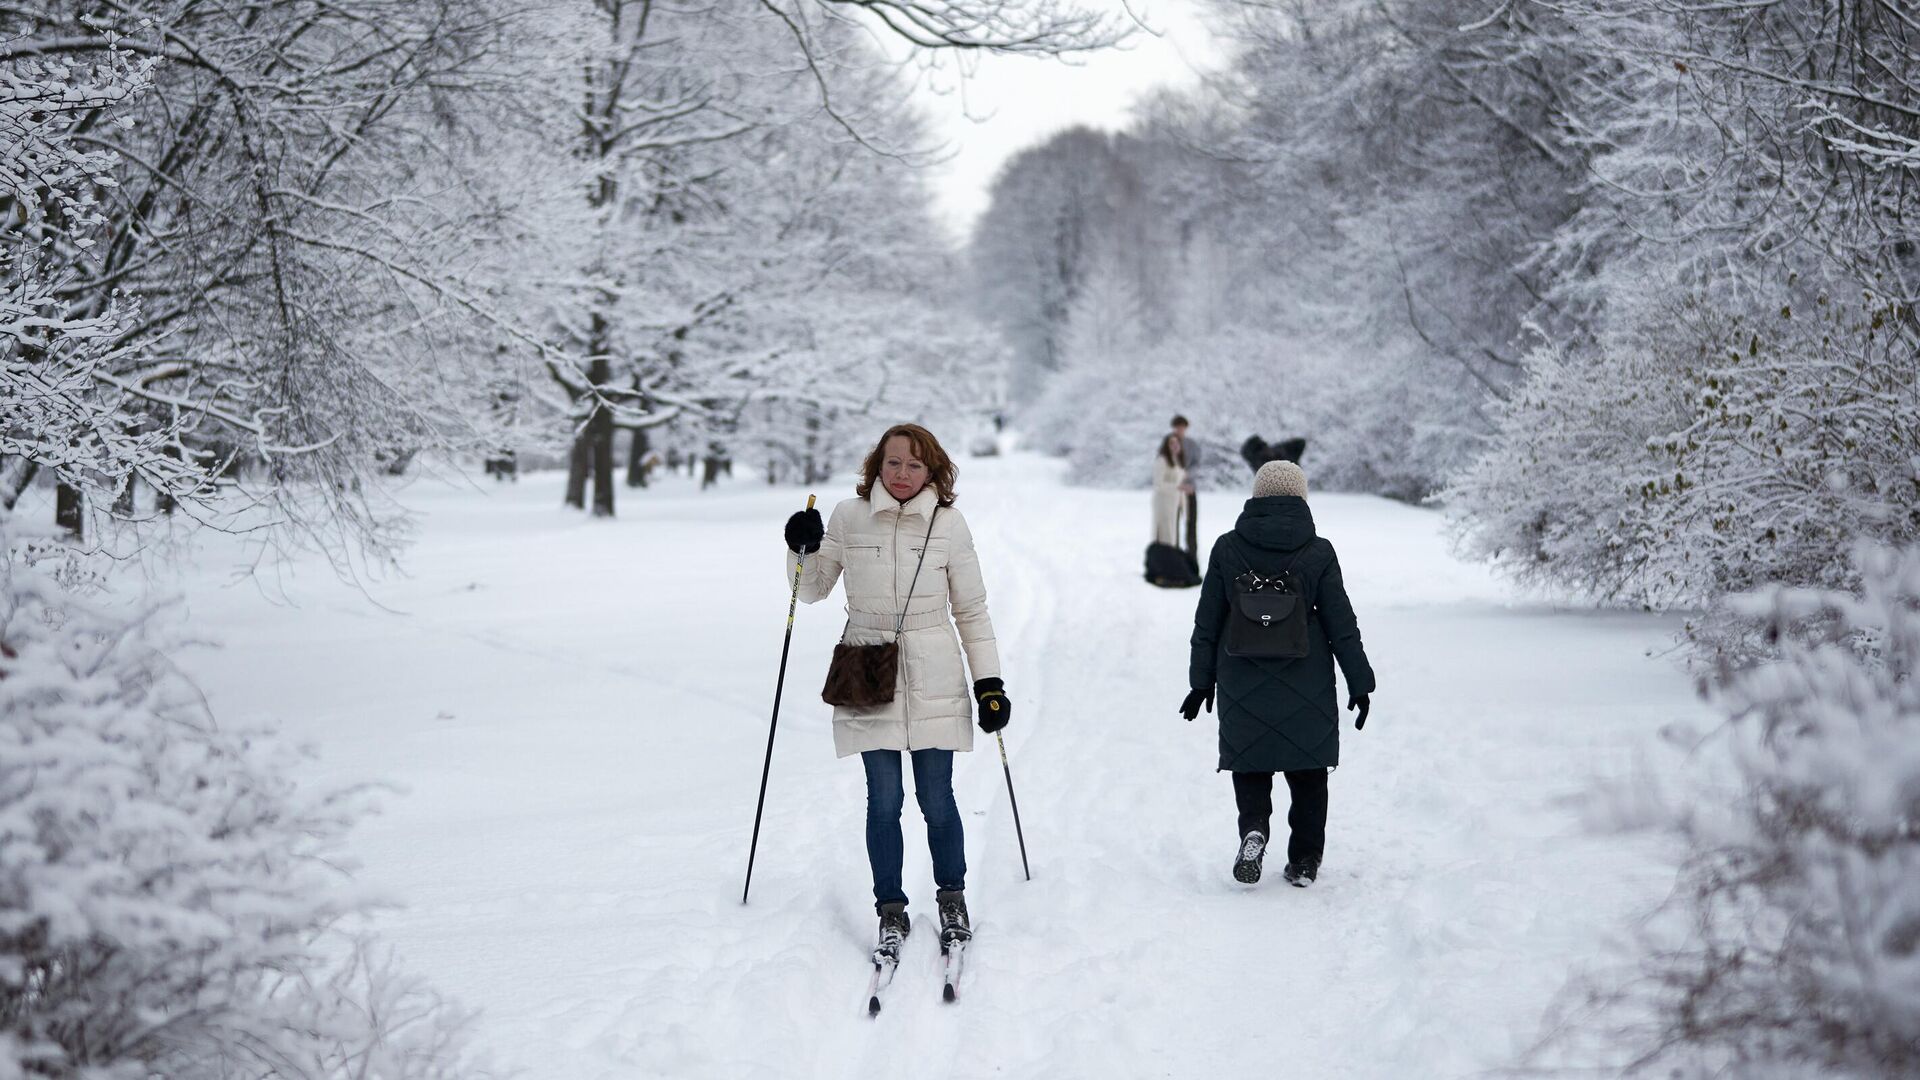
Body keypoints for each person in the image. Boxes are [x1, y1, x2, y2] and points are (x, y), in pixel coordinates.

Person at [782, 423, 1009, 961]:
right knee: (883, 801)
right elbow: (810, 590)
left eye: (914, 464)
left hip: (935, 668)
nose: (902, 473)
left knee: (937, 798)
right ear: (876, 466)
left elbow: (971, 610)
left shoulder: (949, 524)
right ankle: (890, 909)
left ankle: (952, 899)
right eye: (893, 462)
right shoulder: (848, 516)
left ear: (933, 471)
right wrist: (799, 547)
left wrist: (989, 684)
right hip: (867, 664)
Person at [1181, 459, 1375, 887]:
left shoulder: (1226, 548)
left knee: (1251, 763)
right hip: (1307, 678)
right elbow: (1342, 624)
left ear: (1257, 496)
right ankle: (1304, 861)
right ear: (1301, 497)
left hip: (1241, 677)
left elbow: (1207, 622)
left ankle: (1254, 829)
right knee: (1308, 771)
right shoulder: (1319, 551)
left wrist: (1200, 683)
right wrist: (1360, 682)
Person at [1152, 415, 1194, 547]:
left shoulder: (1177, 461)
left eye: (1177, 443)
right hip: (1164, 502)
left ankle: (1171, 557)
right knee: (1165, 535)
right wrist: (1178, 487)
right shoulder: (1162, 460)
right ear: (1166, 445)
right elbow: (1158, 484)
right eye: (1171, 443)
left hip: (1175, 501)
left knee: (1172, 535)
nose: (1175, 445)